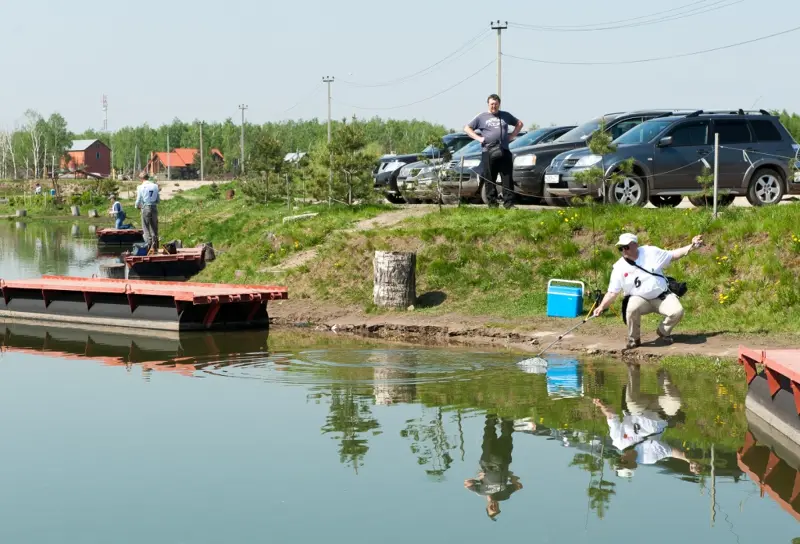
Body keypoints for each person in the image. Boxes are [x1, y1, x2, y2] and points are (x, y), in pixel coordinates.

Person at [592, 232, 704, 349]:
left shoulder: (650, 252)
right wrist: (601, 307)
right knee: (631, 307)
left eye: (626, 247)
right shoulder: (619, 267)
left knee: (678, 311)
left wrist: (692, 246)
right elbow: (612, 293)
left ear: (635, 245)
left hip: (661, 296)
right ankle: (634, 339)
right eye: (621, 248)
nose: (623, 250)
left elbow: (673, 255)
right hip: (640, 300)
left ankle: (663, 331)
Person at [593, 365, 699, 477]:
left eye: (620, 462)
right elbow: (671, 452)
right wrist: (689, 461)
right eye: (625, 463)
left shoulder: (617, 440)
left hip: (638, 408)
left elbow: (611, 416)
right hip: (661, 412)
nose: (622, 460)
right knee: (675, 401)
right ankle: (663, 374)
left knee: (632, 402)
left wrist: (601, 405)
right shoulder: (650, 457)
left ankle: (634, 367)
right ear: (634, 465)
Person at [464, 94, 523, 209]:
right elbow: (467, 128)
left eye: (496, 104)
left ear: (499, 104)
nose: (494, 106)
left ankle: (509, 204)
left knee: (507, 177)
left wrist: (512, 136)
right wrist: (479, 138)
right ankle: (492, 204)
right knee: (490, 178)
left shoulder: (505, 115)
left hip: (504, 150)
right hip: (488, 152)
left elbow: (519, 124)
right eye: (492, 104)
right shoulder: (482, 117)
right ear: (488, 104)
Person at [464, 416, 522, 521]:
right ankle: (507, 411)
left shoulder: (480, 492)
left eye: (491, 508)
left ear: (487, 506)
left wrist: (478, 479)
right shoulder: (504, 495)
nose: (494, 506)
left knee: (489, 433)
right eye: (496, 508)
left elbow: (467, 483)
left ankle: (491, 414)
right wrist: (510, 476)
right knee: (507, 433)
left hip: (488, 461)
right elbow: (519, 486)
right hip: (503, 461)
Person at [135, 174, 160, 249]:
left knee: (145, 228)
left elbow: (138, 199)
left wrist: (136, 206)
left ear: (141, 179)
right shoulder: (155, 186)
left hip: (145, 207)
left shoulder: (140, 187)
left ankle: (148, 247)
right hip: (154, 207)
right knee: (154, 228)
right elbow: (158, 200)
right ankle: (155, 247)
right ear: (148, 177)